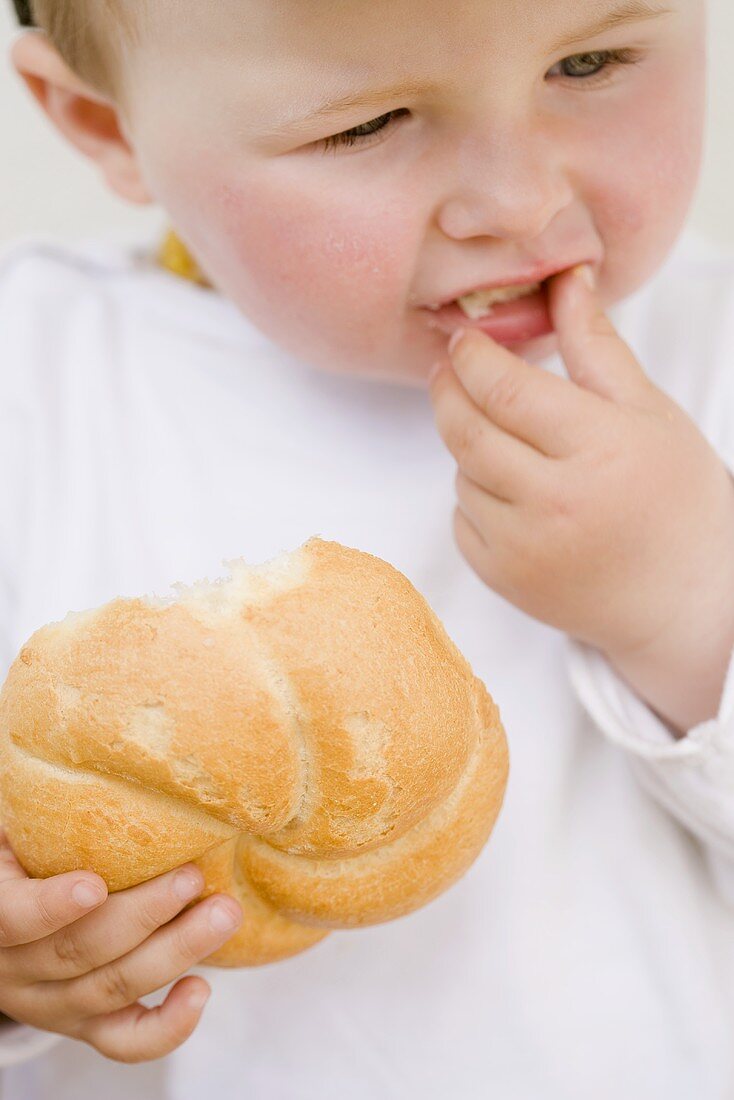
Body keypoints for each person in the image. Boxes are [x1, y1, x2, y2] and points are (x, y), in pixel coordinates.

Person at [1, 0, 734, 1095]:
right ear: (104, 125)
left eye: (589, 60)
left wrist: (691, 599)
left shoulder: (711, 351)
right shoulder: (34, 391)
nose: (519, 200)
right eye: (367, 124)